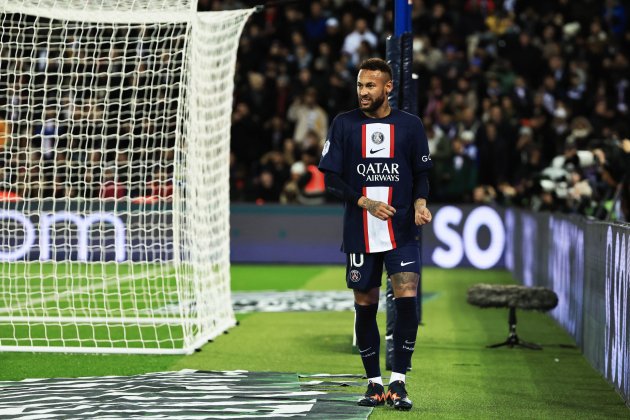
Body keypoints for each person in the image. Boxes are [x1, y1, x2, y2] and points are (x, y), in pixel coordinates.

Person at [318, 58, 433, 411]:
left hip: (401, 230)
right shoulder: (343, 124)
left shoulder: (410, 126)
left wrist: (419, 203)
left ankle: (399, 380)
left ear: (388, 87)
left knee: (408, 297)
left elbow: (422, 174)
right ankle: (374, 384)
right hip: (360, 230)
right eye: (360, 85)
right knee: (364, 305)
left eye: (370, 86)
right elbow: (331, 179)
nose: (363, 92)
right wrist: (365, 201)